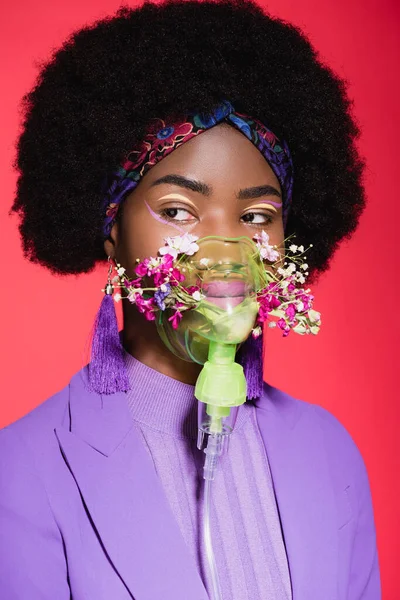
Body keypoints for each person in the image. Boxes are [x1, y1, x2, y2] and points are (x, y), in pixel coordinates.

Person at [0, 0, 381, 598]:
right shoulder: (20, 470)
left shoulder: (329, 452)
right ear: (111, 228)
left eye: (257, 215)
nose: (223, 251)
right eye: (178, 210)